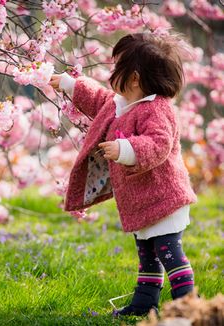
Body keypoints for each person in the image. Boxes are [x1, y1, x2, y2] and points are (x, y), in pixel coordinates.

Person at [49, 32, 198, 317]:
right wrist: (71, 84)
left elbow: (159, 143)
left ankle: (187, 307)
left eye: (117, 69)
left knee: (169, 253)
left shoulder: (156, 109)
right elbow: (99, 100)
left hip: (164, 199)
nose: (110, 75)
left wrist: (125, 148)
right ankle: (144, 304)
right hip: (143, 201)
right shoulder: (123, 103)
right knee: (147, 255)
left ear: (134, 78)